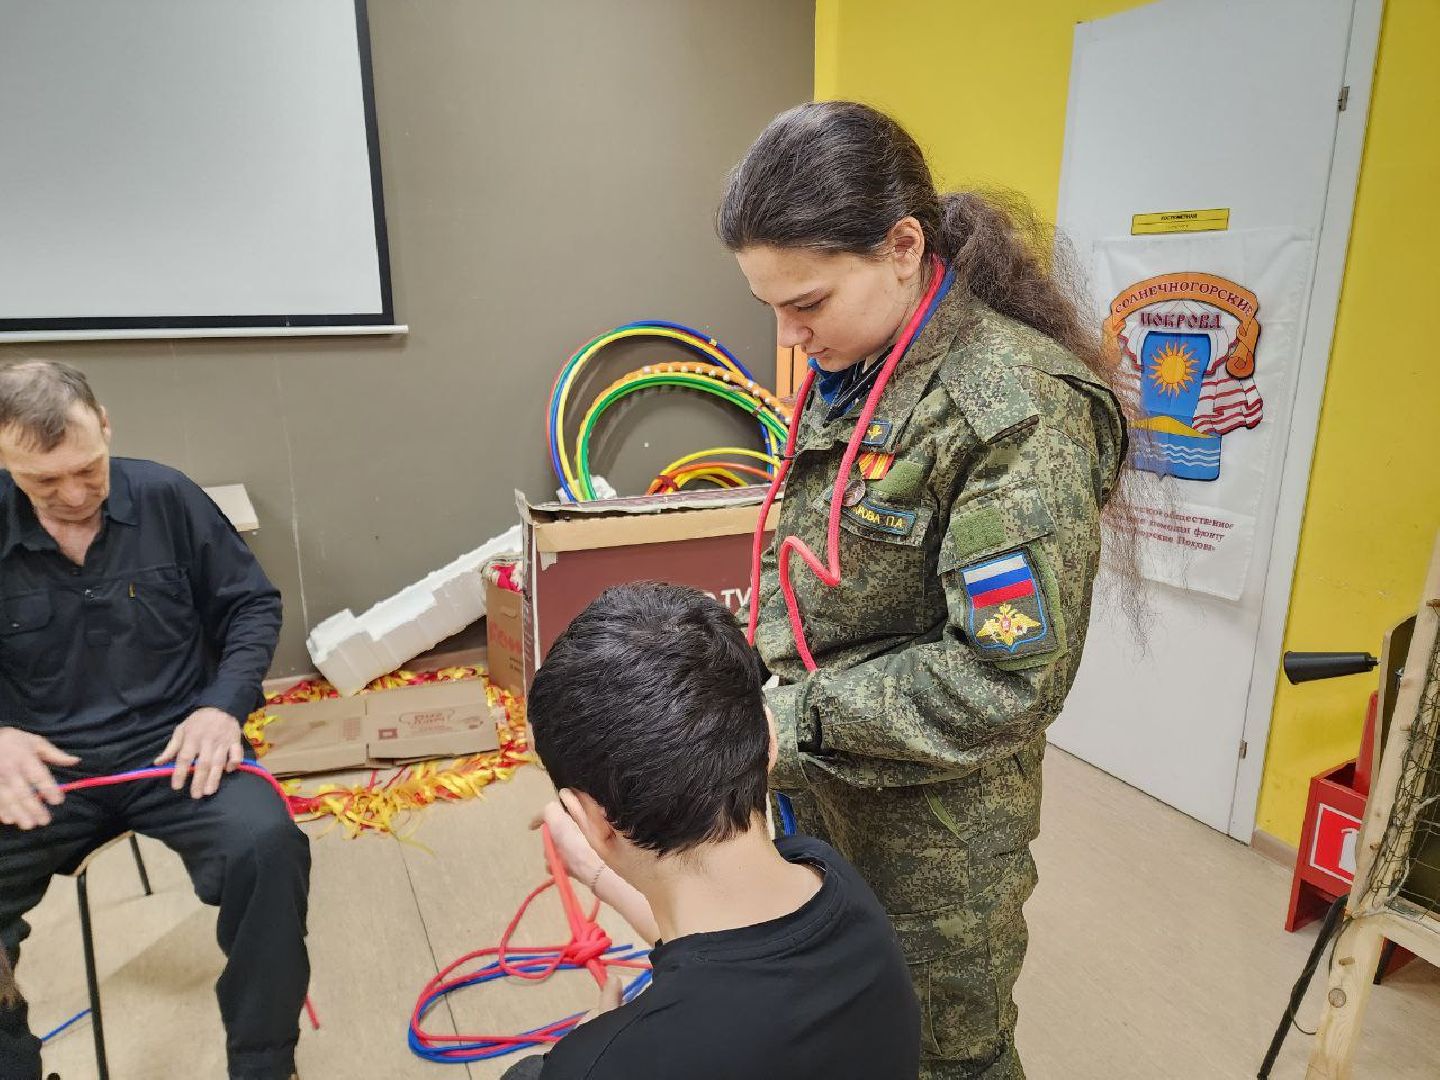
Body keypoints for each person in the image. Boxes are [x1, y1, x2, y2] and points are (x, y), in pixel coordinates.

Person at [718, 102, 1131, 1079]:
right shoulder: (858, 362)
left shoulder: (1013, 410)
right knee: (845, 1028)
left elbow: (1001, 680)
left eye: (806, 301)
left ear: (903, 246)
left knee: (946, 1055)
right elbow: (830, 559)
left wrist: (797, 715)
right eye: (771, 303)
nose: (787, 333)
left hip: (934, 834)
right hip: (821, 785)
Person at [0, 360, 310, 1080]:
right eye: (44, 482)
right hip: (38, 768)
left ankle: (264, 1064)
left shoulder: (168, 496)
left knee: (268, 847)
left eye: (88, 468)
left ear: (105, 426)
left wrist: (220, 707)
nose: (74, 495)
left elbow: (251, 606)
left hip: (172, 750)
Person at [502, 582, 920, 1080]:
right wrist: (596, 872)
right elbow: (727, 945)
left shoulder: (606, 1062)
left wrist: (591, 1048)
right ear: (768, 739)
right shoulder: (836, 883)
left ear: (591, 819)